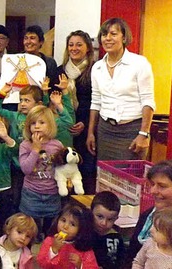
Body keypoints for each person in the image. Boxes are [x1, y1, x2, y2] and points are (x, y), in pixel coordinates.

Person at [86, 18, 155, 161]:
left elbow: (148, 101)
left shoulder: (139, 63)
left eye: (113, 34)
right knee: (106, 178)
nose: (108, 38)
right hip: (105, 131)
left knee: (129, 179)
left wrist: (144, 133)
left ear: (124, 37)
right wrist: (90, 132)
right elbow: (96, 102)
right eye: (104, 35)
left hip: (132, 131)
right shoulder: (97, 67)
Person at [57, 30, 97, 192]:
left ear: (88, 48)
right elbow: (54, 100)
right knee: (63, 169)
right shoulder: (59, 71)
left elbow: (97, 100)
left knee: (85, 169)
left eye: (79, 44)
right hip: (64, 128)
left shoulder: (95, 70)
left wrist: (85, 124)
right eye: (71, 45)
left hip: (87, 128)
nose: (74, 48)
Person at [19, 105, 64, 238]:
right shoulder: (25, 145)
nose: (37, 126)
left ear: (50, 125)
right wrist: (35, 150)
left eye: (41, 122)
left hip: (52, 193)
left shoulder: (57, 145)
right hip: (31, 193)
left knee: (50, 230)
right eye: (33, 123)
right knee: (31, 231)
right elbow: (26, 169)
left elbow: (62, 169)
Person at [125, 160, 172, 266]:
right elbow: (131, 256)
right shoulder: (147, 216)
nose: (153, 191)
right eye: (153, 184)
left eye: (162, 186)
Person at [37, 204, 99, 269]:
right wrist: (53, 250)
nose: (65, 226)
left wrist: (80, 265)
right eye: (63, 220)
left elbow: (92, 266)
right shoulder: (49, 241)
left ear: (81, 229)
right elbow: (41, 263)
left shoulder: (84, 248)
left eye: (72, 224)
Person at [90, 191, 125, 269]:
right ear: (91, 211)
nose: (104, 223)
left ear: (116, 219)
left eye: (110, 219)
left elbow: (121, 262)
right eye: (100, 216)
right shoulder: (85, 234)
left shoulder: (117, 238)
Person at [23, 25, 58, 91]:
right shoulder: (16, 59)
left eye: (32, 38)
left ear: (41, 42)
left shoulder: (50, 63)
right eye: (26, 38)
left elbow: (52, 87)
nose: (28, 42)